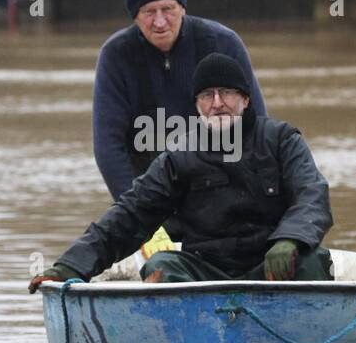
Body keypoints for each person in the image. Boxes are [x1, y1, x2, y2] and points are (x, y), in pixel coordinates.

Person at [30, 53, 333, 289]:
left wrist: (290, 239)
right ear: (197, 106)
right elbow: (130, 214)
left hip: (270, 264)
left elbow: (312, 194)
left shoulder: (281, 140)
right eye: (207, 95)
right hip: (204, 270)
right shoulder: (179, 157)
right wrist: (70, 265)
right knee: (161, 265)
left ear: (245, 99)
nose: (217, 104)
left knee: (312, 260)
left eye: (226, 92)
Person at [92, 0, 266, 202]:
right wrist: (139, 216)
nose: (160, 22)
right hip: (150, 194)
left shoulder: (224, 43)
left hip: (221, 188)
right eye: (149, 12)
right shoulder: (115, 56)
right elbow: (108, 149)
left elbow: (256, 128)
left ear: (183, 8)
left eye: (168, 9)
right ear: (135, 17)